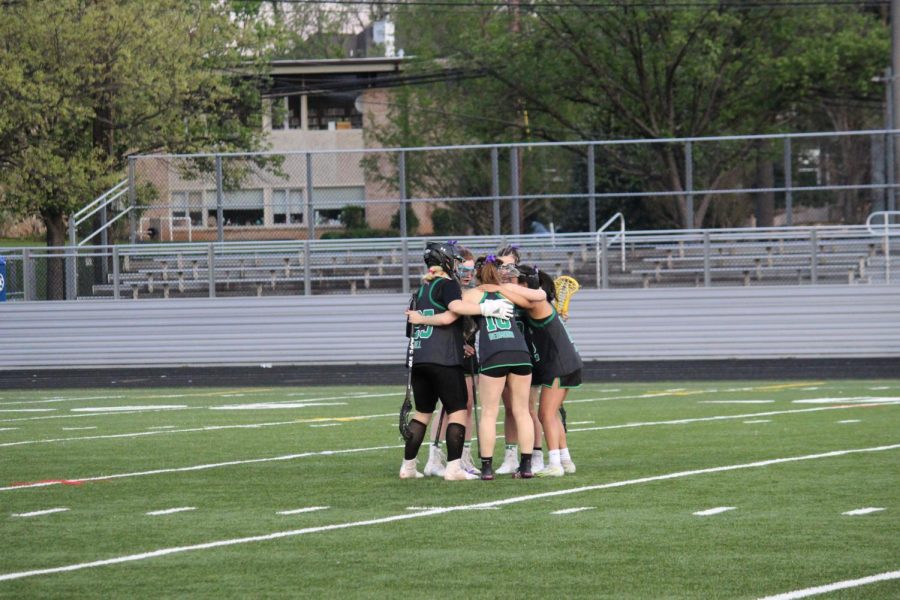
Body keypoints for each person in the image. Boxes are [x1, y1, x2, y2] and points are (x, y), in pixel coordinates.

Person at [400, 241, 513, 481]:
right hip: (444, 358)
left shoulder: (421, 289)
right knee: (459, 411)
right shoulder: (447, 285)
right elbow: (454, 309)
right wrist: (487, 308)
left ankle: (408, 467)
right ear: (447, 262)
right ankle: (454, 469)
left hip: (420, 358)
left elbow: (415, 326)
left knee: (422, 413)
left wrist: (423, 319)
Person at [513, 266, 583, 477]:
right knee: (551, 415)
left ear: (526, 285)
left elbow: (525, 298)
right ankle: (565, 459)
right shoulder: (539, 303)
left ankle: (554, 464)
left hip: (559, 365)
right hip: (567, 364)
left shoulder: (537, 303)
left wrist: (496, 285)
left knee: (545, 414)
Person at [422, 246, 480, 477]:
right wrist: (459, 344)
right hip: (448, 354)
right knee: (447, 407)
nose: (468, 273)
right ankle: (434, 457)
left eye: (471, 269)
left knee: (466, 406)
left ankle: (464, 456)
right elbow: (444, 321)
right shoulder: (447, 288)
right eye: (463, 268)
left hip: (467, 354)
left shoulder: (473, 291)